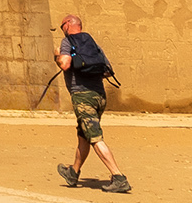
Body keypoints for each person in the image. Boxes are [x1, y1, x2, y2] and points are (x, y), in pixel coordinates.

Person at [54, 14, 133, 192]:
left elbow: (65, 64)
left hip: (82, 97)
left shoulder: (68, 42)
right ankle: (73, 172)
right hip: (99, 96)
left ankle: (118, 177)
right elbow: (107, 71)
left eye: (62, 27)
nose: (62, 30)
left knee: (95, 137)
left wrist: (57, 56)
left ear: (67, 25)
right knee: (84, 135)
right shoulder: (92, 43)